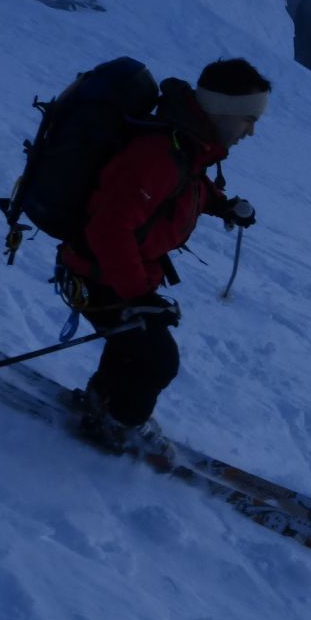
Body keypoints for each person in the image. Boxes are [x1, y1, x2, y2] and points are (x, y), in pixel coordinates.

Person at [58, 57, 268, 456]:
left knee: (130, 346)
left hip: (112, 272)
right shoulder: (159, 153)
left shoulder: (186, 143)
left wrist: (223, 205)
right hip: (99, 273)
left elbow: (186, 185)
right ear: (222, 110)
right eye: (248, 119)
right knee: (157, 359)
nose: (251, 131)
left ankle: (104, 403)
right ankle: (121, 425)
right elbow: (109, 228)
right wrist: (139, 298)